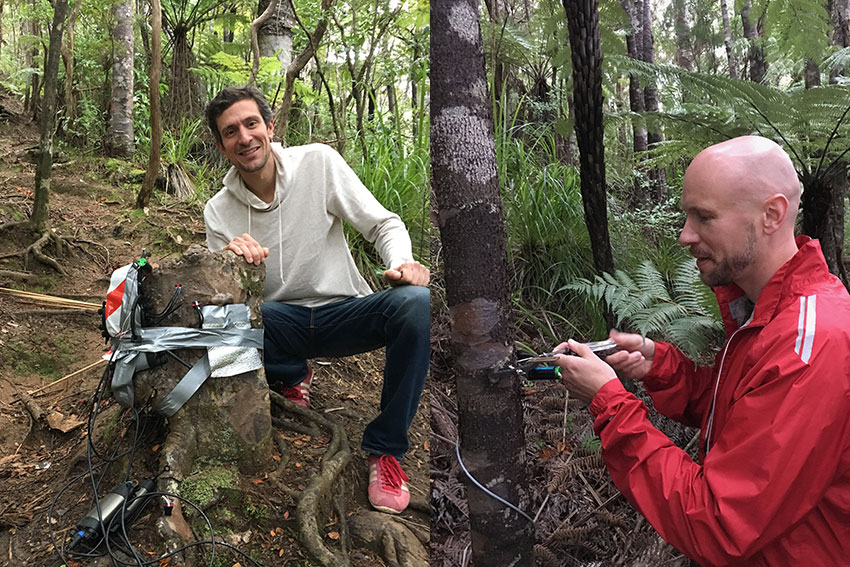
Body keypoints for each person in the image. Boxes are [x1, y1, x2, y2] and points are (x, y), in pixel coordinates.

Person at [555, 136, 850, 566]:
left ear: (772, 215)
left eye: (704, 218)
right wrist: (661, 367)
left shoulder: (810, 344)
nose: (684, 235)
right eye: (687, 216)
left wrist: (610, 404)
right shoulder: (771, 312)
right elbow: (747, 411)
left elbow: (718, 522)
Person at [202, 86, 429, 514]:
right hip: (279, 321)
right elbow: (221, 298)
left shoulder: (318, 163)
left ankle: (386, 451)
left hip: (341, 313)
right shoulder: (218, 211)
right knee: (221, 317)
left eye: (251, 124)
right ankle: (282, 383)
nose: (244, 137)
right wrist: (233, 265)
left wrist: (403, 264)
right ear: (221, 147)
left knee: (415, 303)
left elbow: (384, 224)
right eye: (230, 132)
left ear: (270, 127)